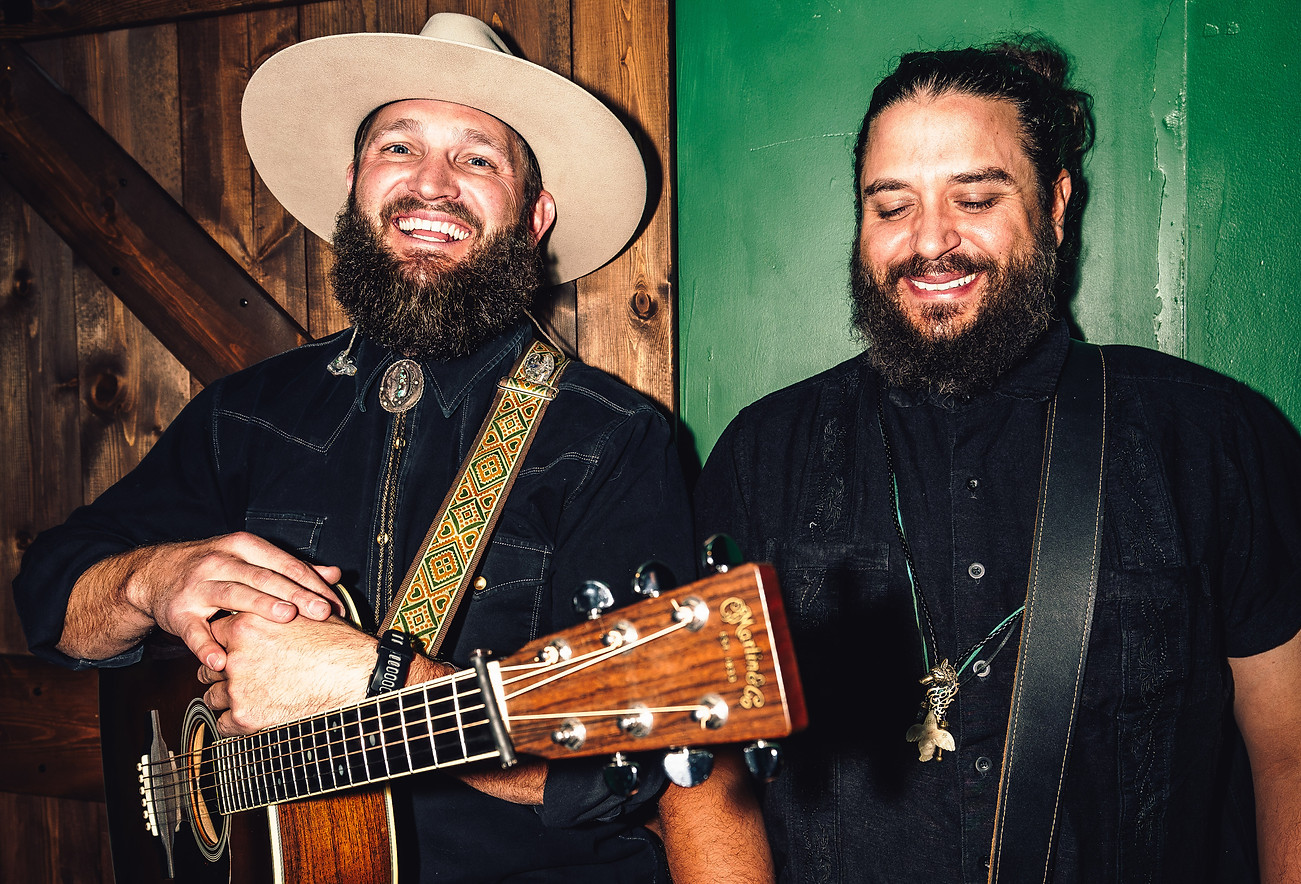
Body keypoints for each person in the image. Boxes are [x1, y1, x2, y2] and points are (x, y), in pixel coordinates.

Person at [13, 14, 768, 883]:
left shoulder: (606, 440)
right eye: (397, 148)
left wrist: (380, 690)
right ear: (356, 187)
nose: (431, 184)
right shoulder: (245, 415)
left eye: (478, 158)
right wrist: (152, 579)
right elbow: (53, 598)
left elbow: (644, 766)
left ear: (533, 217)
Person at [694, 35, 1301, 883]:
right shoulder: (763, 454)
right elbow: (705, 770)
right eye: (891, 205)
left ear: (1056, 206)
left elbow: (1289, 752)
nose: (929, 241)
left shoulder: (1209, 436)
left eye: (975, 198)